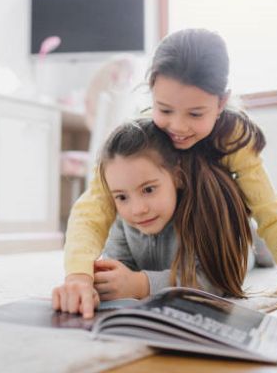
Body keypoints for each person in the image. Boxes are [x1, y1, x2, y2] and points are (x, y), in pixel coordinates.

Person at [52, 28, 277, 323]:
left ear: (221, 103)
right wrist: (78, 276)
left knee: (253, 250)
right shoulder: (137, 140)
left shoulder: (233, 137)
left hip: (219, 227)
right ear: (151, 94)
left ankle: (255, 245)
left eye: (196, 114)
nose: (178, 126)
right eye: (165, 109)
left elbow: (271, 212)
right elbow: (92, 208)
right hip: (174, 229)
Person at [78, 118, 254, 304]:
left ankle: (254, 232)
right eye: (122, 197)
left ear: (178, 177)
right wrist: (105, 282)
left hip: (240, 244)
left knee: (260, 253)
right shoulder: (121, 220)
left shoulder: (202, 214)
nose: (138, 210)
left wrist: (141, 284)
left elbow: (215, 281)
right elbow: (121, 270)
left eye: (148, 189)